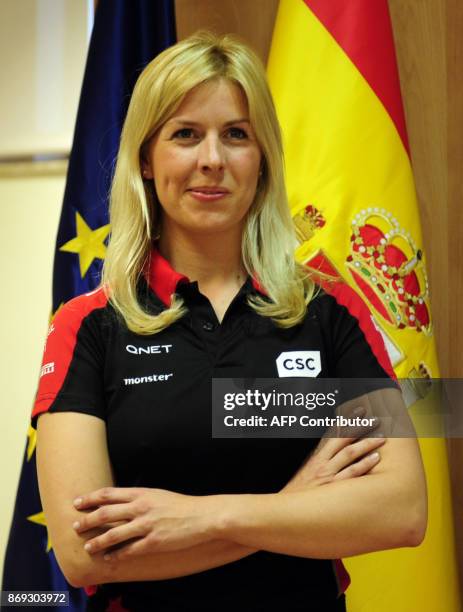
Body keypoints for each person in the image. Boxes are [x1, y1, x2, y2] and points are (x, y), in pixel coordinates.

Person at [34, 31, 427, 612]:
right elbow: (85, 553)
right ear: (146, 157)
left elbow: (402, 510)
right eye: (185, 134)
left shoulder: (331, 310)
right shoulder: (87, 325)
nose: (212, 160)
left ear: (262, 156)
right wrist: (295, 504)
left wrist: (200, 516)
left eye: (236, 135)